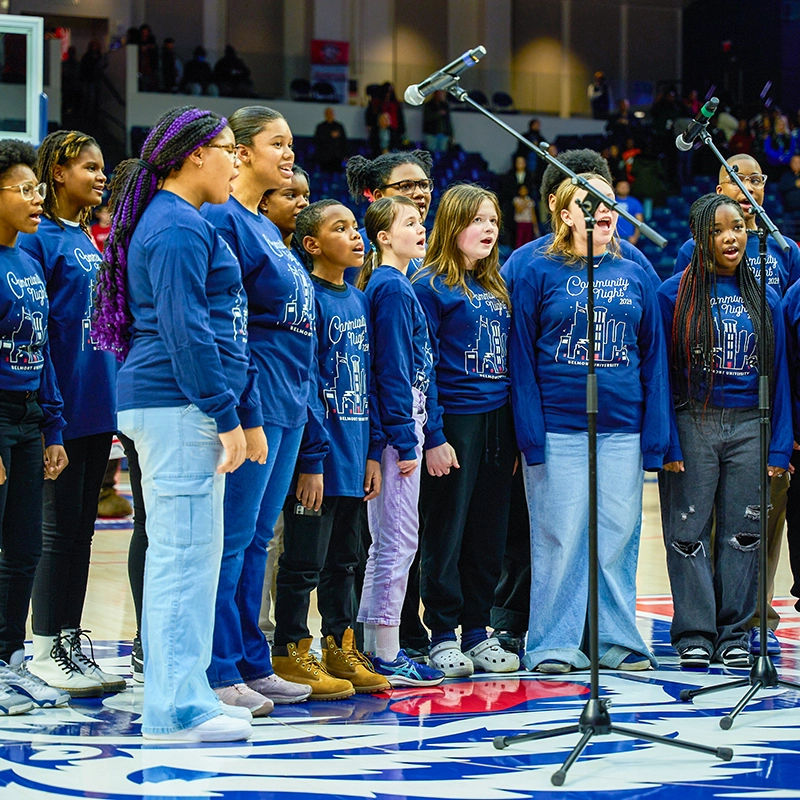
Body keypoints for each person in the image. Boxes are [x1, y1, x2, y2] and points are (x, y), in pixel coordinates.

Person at [93, 105, 253, 742]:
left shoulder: (175, 220)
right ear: (195, 156)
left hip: (173, 401)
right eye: (230, 148)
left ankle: (185, 695)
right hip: (180, 403)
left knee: (188, 556)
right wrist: (225, 411)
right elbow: (188, 330)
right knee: (183, 559)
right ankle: (175, 708)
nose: (235, 159)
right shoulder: (179, 227)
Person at [509, 173, 668, 674]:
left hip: (623, 425)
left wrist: (656, 435)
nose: (603, 209)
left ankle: (618, 640)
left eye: (610, 202)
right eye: (590, 200)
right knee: (560, 534)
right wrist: (529, 435)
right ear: (565, 212)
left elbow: (654, 357)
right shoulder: (536, 268)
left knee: (619, 535)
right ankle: (553, 643)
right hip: (557, 426)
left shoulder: (634, 270)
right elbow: (520, 361)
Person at [202, 106, 315, 715]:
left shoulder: (268, 226)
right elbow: (228, 323)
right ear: (241, 153)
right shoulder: (226, 221)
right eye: (278, 143)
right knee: (233, 537)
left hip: (290, 400)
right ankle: (219, 668)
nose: (289, 153)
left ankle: (251, 658)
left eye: (291, 143)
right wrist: (240, 410)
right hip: (257, 397)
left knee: (257, 538)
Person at [672, 156, 800, 657]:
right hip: (700, 417)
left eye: (756, 180)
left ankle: (743, 625)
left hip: (758, 418)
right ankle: (697, 631)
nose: (748, 189)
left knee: (751, 528)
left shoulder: (783, 258)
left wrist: (783, 435)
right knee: (693, 527)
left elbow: (784, 350)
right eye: (737, 180)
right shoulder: (678, 286)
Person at [271, 200, 389, 699]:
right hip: (317, 457)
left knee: (347, 558)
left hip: (354, 451)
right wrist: (312, 460)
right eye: (340, 229)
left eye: (355, 227)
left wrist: (371, 451)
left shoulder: (359, 300)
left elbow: (374, 381)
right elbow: (305, 383)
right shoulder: (309, 298)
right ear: (312, 244)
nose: (356, 236)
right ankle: (290, 648)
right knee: (303, 560)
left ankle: (340, 644)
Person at [19, 131, 122, 697]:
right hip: (56, 407)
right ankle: (42, 646)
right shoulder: (39, 239)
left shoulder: (86, 237)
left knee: (82, 531)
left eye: (103, 167)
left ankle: (67, 636)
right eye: (89, 166)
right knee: (56, 532)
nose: (100, 176)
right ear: (57, 171)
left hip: (95, 403)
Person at [412, 184, 519, 678]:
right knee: (446, 530)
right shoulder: (430, 286)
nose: (489, 229)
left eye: (494, 220)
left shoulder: (497, 285)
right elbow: (423, 368)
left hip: (498, 423)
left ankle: (478, 631)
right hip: (454, 420)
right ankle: (440, 634)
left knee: (488, 532)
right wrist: (433, 435)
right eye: (478, 219)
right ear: (453, 225)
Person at [345, 150, 435, 658]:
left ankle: (380, 647)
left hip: (406, 429)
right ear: (382, 236)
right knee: (395, 543)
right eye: (408, 221)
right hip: (400, 435)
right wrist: (403, 437)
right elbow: (393, 373)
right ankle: (383, 651)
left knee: (397, 542)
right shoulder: (392, 288)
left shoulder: (394, 284)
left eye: (420, 220)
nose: (419, 226)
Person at [0, 139, 71, 713]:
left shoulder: (26, 259)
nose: (36, 198)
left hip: (28, 417)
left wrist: (52, 428)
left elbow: (41, 347)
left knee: (23, 549)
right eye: (23, 189)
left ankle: (9, 660)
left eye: (37, 188)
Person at [256, 163, 311, 640]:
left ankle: (283, 638)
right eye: (291, 195)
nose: (302, 203)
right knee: (261, 534)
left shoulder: (306, 263)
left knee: (291, 537)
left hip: (302, 411)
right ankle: (255, 630)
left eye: (307, 196)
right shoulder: (254, 248)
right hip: (264, 406)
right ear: (264, 201)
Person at [313, 108, 348, 173]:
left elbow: (344, 142)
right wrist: (330, 135)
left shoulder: (339, 126)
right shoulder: (321, 127)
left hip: (337, 156)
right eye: (328, 113)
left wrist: (345, 155)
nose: (330, 115)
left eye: (331, 113)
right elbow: (317, 140)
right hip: (324, 156)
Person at [614, 179, 644, 246]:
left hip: (628, 236)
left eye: (625, 187)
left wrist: (635, 237)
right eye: (621, 187)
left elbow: (639, 221)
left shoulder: (634, 202)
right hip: (612, 236)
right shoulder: (611, 200)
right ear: (616, 188)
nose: (623, 189)